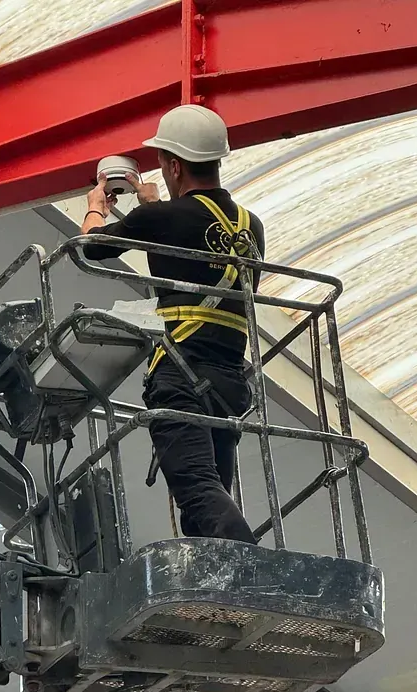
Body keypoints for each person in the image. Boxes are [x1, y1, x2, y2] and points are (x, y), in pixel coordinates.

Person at [80, 104, 264, 544]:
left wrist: (96, 207)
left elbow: (90, 248)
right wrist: (153, 206)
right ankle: (217, 594)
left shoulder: (160, 219)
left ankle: (250, 569)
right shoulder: (250, 225)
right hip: (229, 378)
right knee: (212, 492)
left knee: (196, 487)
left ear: (174, 165)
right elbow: (196, 247)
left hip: (182, 372)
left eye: (163, 164)